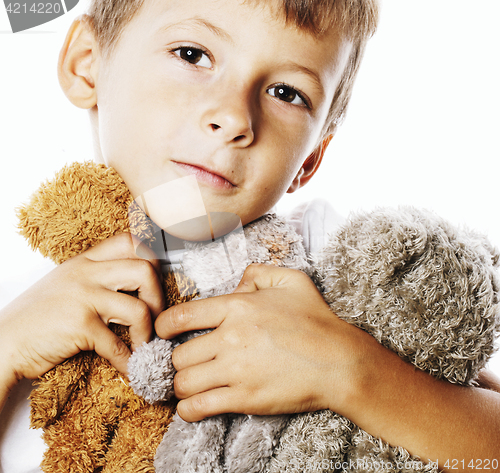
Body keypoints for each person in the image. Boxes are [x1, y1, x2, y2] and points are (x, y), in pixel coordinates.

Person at [0, 0, 499, 471]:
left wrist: (348, 371)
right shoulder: (18, 282)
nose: (235, 118)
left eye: (286, 93)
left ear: (309, 159)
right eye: (192, 55)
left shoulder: (322, 270)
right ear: (87, 63)